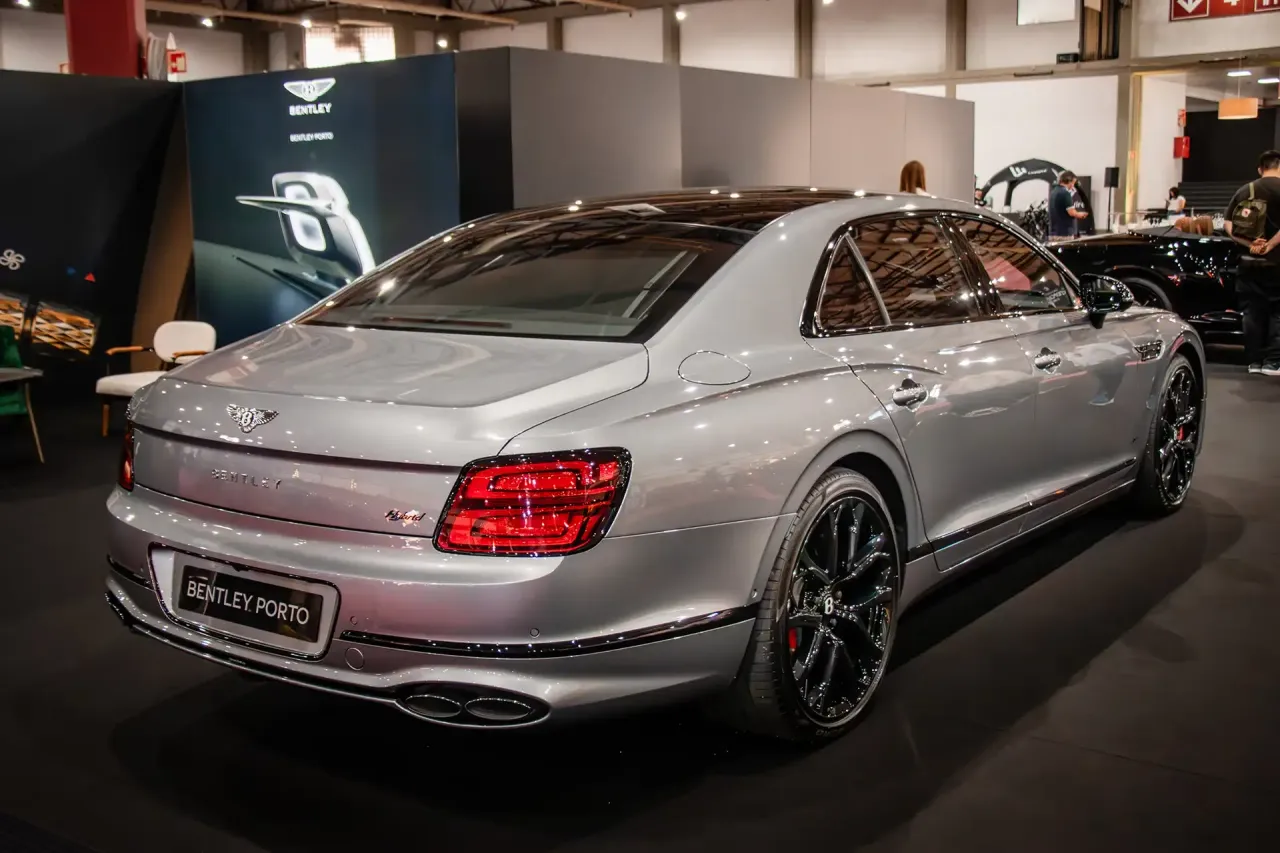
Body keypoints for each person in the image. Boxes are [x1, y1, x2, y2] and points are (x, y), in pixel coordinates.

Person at [1225, 150, 1280, 375]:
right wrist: (1270, 246)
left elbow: (1228, 225)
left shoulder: (1244, 190)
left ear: (1260, 169)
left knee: (1252, 312)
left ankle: (1255, 361)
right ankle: (1274, 362)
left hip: (1247, 263)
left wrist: (1249, 245)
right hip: (1277, 264)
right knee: (1277, 312)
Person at [1048, 171, 1088, 240]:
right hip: (1064, 234)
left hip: (1054, 233)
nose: (1073, 186)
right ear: (1069, 181)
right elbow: (1072, 213)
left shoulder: (1053, 192)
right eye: (1073, 183)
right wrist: (1081, 214)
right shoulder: (1065, 193)